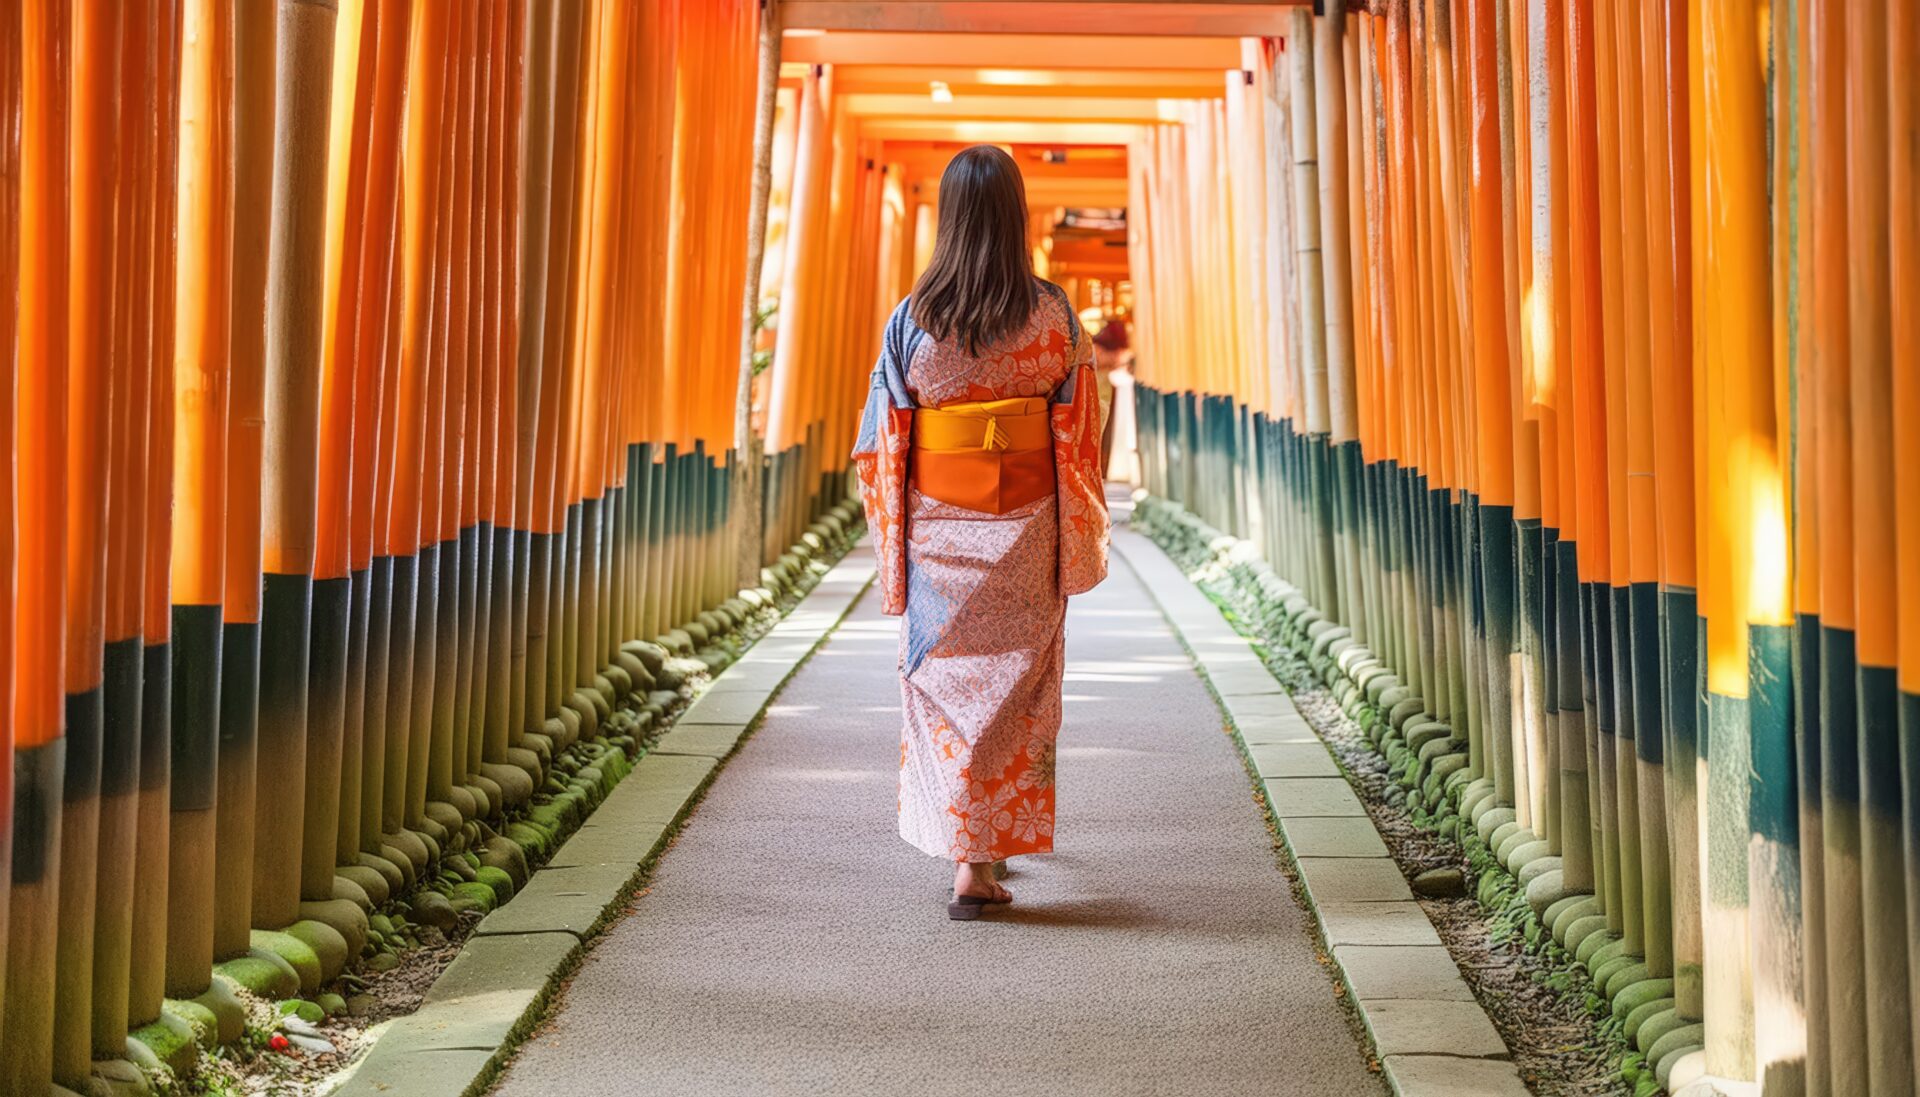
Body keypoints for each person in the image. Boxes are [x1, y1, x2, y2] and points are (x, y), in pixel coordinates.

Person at [851, 145, 1111, 921]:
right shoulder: (1053, 314)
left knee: (941, 684)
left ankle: (966, 854)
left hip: (938, 529)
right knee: (1019, 685)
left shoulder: (913, 318)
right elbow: (1080, 429)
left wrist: (895, 532)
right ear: (1016, 216)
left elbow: (883, 438)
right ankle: (986, 849)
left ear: (951, 219)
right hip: (1027, 527)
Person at [1091, 320, 1129, 476]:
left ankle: (1100, 468)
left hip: (1101, 397)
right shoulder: (1109, 353)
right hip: (1102, 398)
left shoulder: (1096, 349)